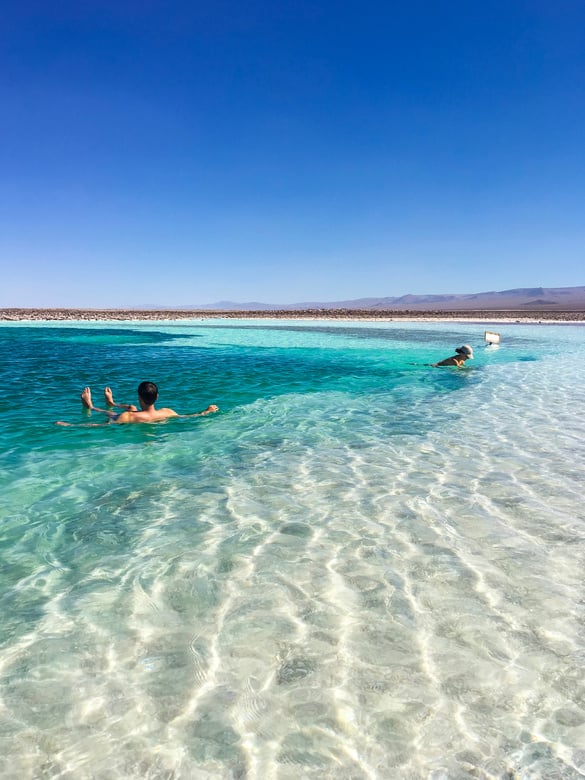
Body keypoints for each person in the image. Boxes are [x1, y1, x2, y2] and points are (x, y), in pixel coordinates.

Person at [56, 381, 219, 426]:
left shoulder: (127, 417)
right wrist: (207, 411)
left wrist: (70, 425)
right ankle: (111, 402)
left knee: (115, 414)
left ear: (139, 397)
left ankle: (91, 406)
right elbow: (188, 417)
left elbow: (100, 426)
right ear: (157, 397)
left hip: (131, 418)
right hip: (146, 416)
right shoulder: (167, 412)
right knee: (131, 408)